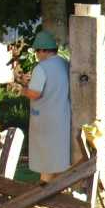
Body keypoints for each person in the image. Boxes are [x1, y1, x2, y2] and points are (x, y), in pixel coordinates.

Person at [19, 30, 71, 183]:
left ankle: (44, 188)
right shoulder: (64, 63)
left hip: (44, 119)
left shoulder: (41, 68)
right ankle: (59, 187)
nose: (36, 54)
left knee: (46, 160)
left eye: (37, 51)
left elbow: (35, 93)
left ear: (42, 50)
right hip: (62, 116)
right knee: (59, 157)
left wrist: (21, 90)